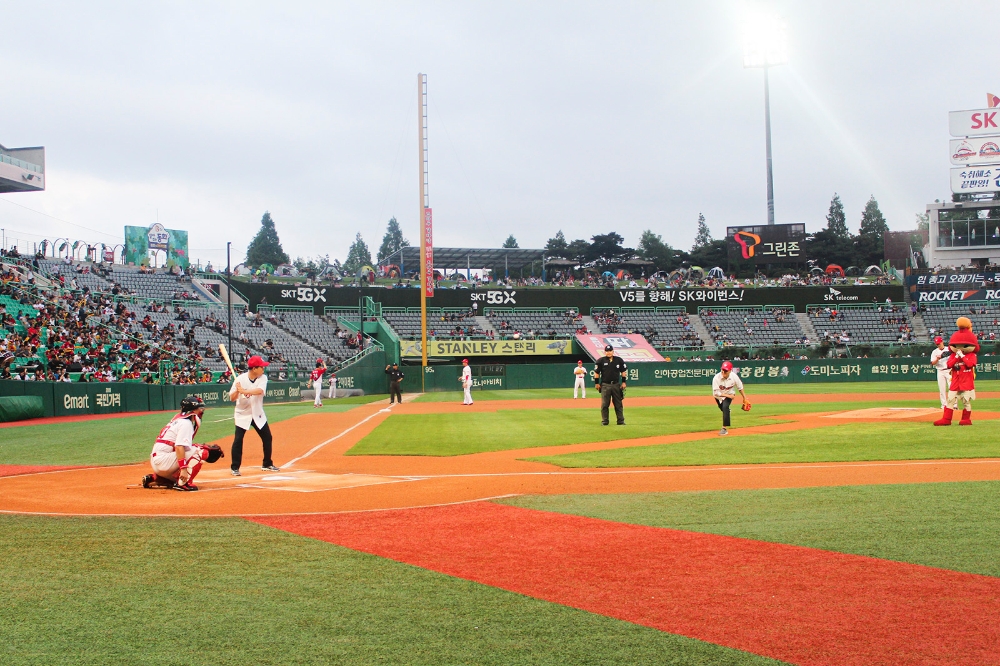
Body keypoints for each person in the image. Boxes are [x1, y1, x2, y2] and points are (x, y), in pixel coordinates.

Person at [142, 395, 224, 491]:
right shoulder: (186, 423)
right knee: (201, 452)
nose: (201, 410)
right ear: (193, 410)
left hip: (159, 461)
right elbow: (179, 447)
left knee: (191, 451)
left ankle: (157, 478)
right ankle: (183, 483)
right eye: (199, 408)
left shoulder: (178, 420)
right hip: (163, 462)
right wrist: (184, 469)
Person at [228, 355, 279, 476]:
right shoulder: (240, 379)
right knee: (238, 440)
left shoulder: (263, 378)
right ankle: (235, 467)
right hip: (242, 414)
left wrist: (245, 391)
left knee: (267, 437)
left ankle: (267, 463)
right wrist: (237, 390)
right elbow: (231, 398)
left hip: (257, 413)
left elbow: (259, 391)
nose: (263, 369)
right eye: (261, 367)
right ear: (254, 368)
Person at [934, 317, 979, 426]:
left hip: (966, 381)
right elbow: (949, 364)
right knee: (950, 399)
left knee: (966, 401)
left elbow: (970, 364)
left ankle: (966, 419)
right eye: (956, 346)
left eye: (963, 346)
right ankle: (946, 419)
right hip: (955, 381)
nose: (959, 348)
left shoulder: (971, 355)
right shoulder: (954, 355)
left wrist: (962, 356)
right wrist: (956, 357)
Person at [712, 360, 748, 436]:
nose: (723, 372)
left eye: (725, 371)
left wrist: (745, 398)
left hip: (730, 393)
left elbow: (740, 387)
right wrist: (729, 396)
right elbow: (716, 393)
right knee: (723, 409)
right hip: (719, 397)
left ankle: (724, 428)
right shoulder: (716, 378)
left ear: (730, 371)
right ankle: (727, 411)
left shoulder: (734, 377)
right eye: (722, 370)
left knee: (725, 407)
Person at [593, 344, 627, 425]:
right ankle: (605, 421)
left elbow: (623, 372)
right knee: (605, 404)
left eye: (610, 351)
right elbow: (596, 373)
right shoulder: (600, 361)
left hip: (616, 384)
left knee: (618, 404)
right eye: (607, 351)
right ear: (605, 352)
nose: (608, 352)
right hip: (605, 385)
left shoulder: (619, 360)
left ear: (613, 351)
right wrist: (597, 383)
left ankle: (620, 421)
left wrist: (623, 382)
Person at [929, 336, 950, 409]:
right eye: (937, 344)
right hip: (940, 371)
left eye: (939, 343)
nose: (938, 345)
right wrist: (938, 358)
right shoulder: (934, 352)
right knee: (942, 389)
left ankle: (954, 405)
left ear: (942, 342)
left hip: (949, 370)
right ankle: (944, 405)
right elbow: (932, 363)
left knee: (952, 388)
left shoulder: (948, 349)